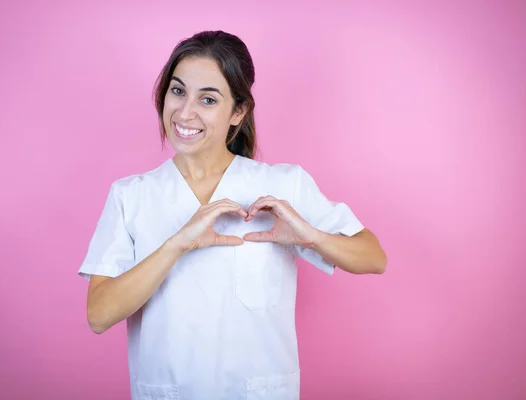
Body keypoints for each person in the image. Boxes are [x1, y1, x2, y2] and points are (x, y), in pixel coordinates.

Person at [78, 30, 387, 400]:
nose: (185, 112)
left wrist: (310, 236)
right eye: (178, 91)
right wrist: (176, 245)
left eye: (207, 99)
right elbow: (99, 314)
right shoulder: (131, 195)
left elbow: (374, 257)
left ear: (238, 111)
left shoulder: (282, 185)